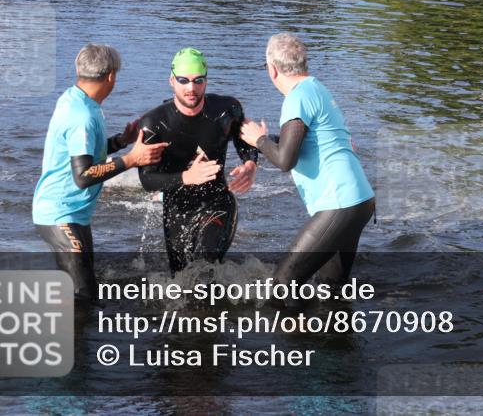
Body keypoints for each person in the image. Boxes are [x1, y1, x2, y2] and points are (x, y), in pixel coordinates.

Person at [33, 44, 168, 301]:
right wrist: (131, 159)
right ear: (111, 77)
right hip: (59, 213)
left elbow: (82, 152)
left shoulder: (77, 99)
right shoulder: (81, 115)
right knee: (82, 296)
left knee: (86, 290)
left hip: (74, 214)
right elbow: (83, 176)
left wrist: (120, 141)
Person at [240, 34, 375, 290]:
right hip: (360, 201)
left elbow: (285, 160)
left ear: (272, 69)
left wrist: (259, 140)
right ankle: (331, 331)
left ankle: (295, 329)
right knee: (330, 291)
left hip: (339, 204)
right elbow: (310, 142)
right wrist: (265, 139)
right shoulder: (316, 88)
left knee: (280, 287)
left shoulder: (296, 98)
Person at [138, 48, 258, 275]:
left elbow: (246, 142)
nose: (191, 88)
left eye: (198, 80)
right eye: (183, 80)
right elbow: (146, 180)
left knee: (203, 268)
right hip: (176, 208)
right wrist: (186, 177)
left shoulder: (227, 110)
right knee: (181, 279)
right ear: (171, 81)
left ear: (206, 81)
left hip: (217, 202)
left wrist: (250, 165)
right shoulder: (154, 122)